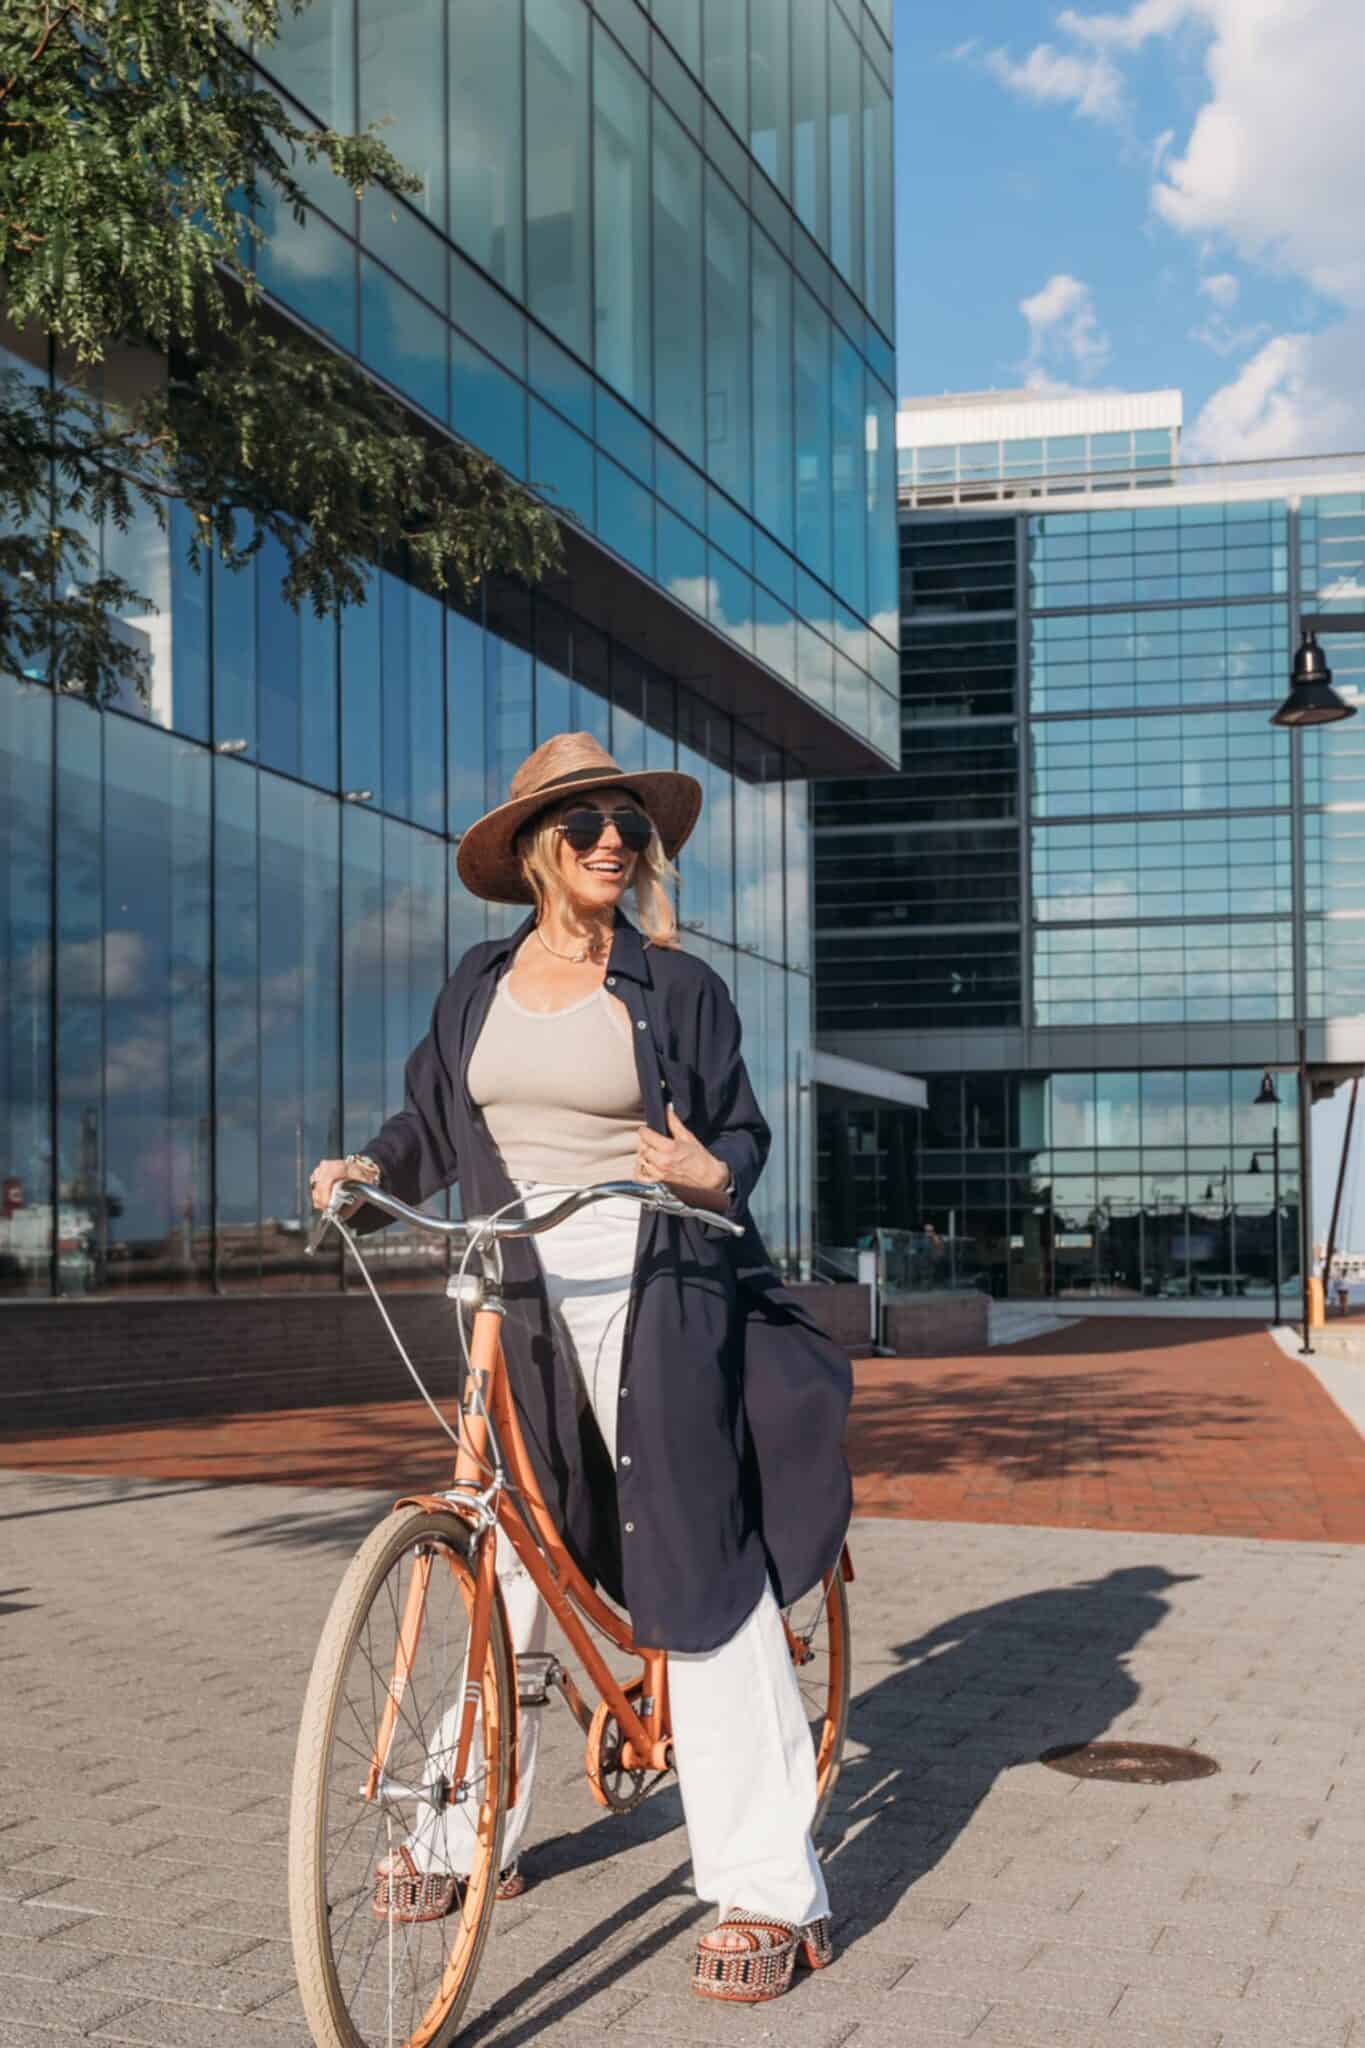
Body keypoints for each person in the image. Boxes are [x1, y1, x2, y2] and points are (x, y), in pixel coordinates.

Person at [310, 732, 852, 2003]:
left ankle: (774, 1886)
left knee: (695, 1552)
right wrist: (372, 1171)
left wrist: (711, 1173)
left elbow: (736, 1131)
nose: (614, 838)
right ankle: (460, 1822)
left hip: (655, 1275)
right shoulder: (478, 981)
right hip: (513, 1271)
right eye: (586, 821)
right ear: (535, 850)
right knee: (505, 1545)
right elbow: (433, 1119)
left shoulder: (677, 985)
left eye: (628, 822)